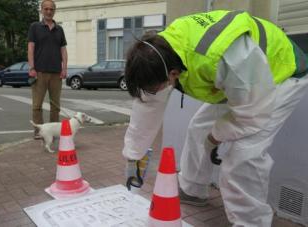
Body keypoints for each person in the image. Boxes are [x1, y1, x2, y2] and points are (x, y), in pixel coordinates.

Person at [122, 10, 308, 226]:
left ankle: (251, 222)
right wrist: (133, 156)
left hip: (281, 76)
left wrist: (215, 136)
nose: (155, 93)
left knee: (244, 156)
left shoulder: (229, 58)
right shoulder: (160, 54)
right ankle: (193, 188)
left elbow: (253, 114)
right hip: (245, 83)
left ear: (173, 74)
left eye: (156, 88)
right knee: (198, 128)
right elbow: (147, 106)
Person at [28, 0, 68, 139]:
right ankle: (39, 133)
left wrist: (64, 68)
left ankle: (53, 132)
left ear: (54, 11)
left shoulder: (59, 29)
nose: (49, 11)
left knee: (55, 106)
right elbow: (31, 48)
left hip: (56, 73)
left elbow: (63, 50)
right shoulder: (34, 27)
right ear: (41, 10)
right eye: (46, 9)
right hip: (39, 72)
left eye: (51, 9)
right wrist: (32, 67)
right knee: (37, 105)